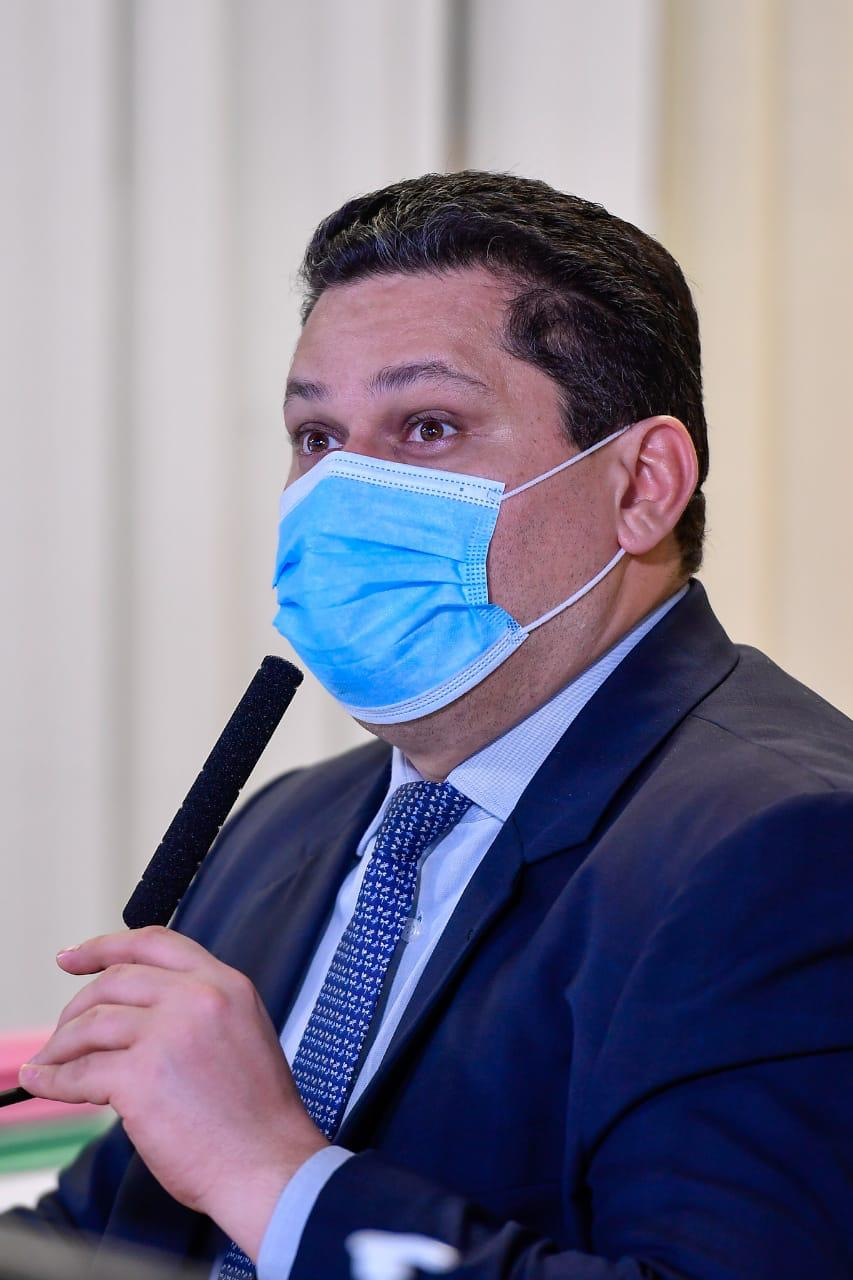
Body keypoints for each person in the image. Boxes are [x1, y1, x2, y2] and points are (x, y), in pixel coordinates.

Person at [7, 172, 853, 1280]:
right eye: (317, 436)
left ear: (642, 484)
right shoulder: (284, 825)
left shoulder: (795, 845)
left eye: (427, 426)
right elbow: (109, 1230)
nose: (344, 488)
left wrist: (274, 1174)